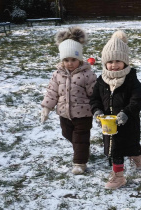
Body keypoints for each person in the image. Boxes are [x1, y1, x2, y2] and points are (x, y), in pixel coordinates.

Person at [90, 30, 141, 189]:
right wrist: (97, 111)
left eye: (118, 61)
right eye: (110, 61)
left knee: (131, 145)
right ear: (105, 63)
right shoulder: (102, 81)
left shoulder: (131, 79)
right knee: (115, 150)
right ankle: (119, 176)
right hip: (109, 124)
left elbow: (138, 99)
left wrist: (127, 113)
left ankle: (138, 154)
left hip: (129, 122)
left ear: (125, 62)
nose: (114, 65)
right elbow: (94, 99)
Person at [40, 27, 97, 175]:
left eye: (73, 59)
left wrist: (98, 110)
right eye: (66, 60)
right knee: (67, 134)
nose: (70, 63)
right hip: (64, 114)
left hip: (83, 115)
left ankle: (80, 163)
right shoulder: (57, 74)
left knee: (79, 139)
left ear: (80, 59)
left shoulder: (87, 74)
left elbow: (94, 93)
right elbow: (52, 91)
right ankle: (82, 150)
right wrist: (46, 108)